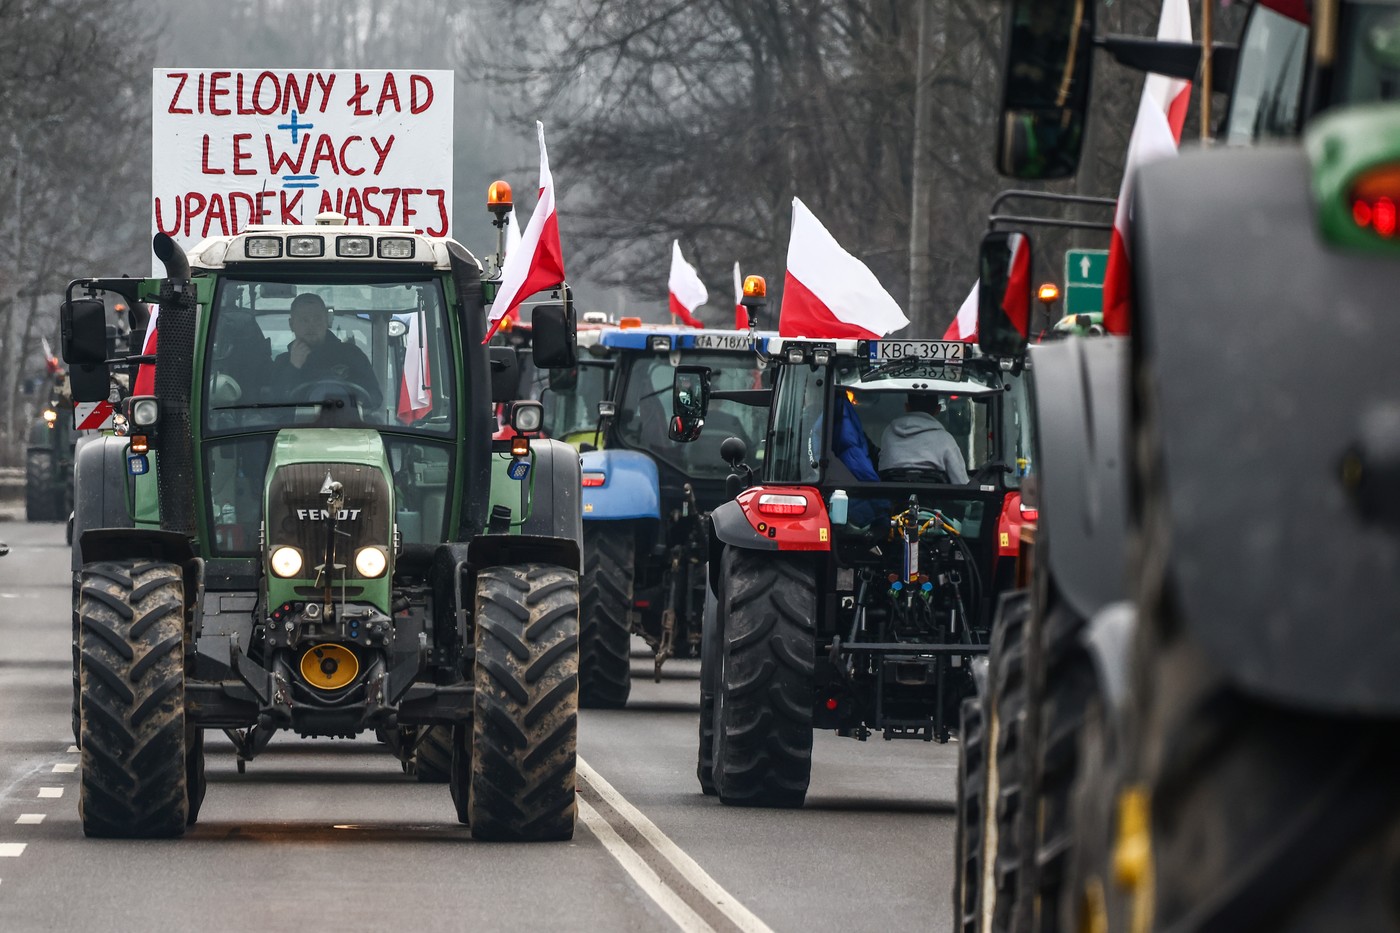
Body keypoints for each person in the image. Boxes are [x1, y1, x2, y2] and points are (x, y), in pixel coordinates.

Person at [271, 293, 382, 407]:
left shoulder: (352, 355)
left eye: (317, 319)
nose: (311, 325)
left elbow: (375, 397)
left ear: (327, 321)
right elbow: (272, 405)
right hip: (295, 419)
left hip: (347, 418)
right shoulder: (283, 362)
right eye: (304, 320)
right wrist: (293, 368)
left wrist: (356, 398)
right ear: (291, 324)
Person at [878, 394, 968, 483]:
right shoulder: (945, 439)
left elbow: (882, 469)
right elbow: (960, 482)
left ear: (906, 407)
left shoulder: (889, 432)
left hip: (892, 493)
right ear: (938, 409)